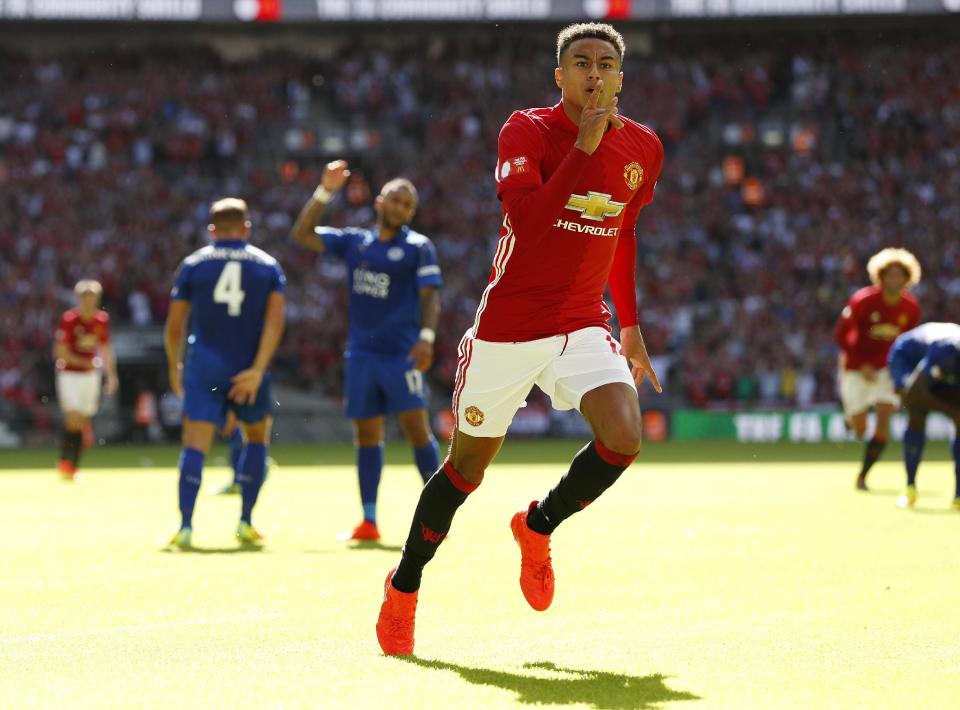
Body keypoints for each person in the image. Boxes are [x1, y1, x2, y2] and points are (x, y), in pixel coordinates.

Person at [375, 22, 664, 655]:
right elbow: (528, 227)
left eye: (607, 63)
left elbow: (622, 233)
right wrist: (584, 148)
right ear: (559, 76)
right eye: (581, 63)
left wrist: (633, 325)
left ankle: (538, 526)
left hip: (583, 321)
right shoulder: (527, 130)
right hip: (508, 328)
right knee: (466, 470)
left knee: (624, 437)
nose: (595, 73)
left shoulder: (644, 147)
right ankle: (403, 586)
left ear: (621, 77)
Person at [291, 164, 443, 542]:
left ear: (410, 213)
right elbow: (302, 234)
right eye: (395, 199)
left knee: (416, 430)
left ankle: (440, 516)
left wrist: (426, 337)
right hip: (361, 355)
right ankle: (369, 520)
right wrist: (324, 191)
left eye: (407, 204)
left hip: (401, 354)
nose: (400, 207)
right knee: (366, 434)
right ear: (379, 202)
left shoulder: (418, 247)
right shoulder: (355, 242)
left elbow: (431, 296)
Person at [164, 198, 286, 549]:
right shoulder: (267, 266)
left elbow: (175, 326)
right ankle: (246, 522)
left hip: (204, 367)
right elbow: (275, 322)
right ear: (246, 228)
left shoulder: (193, 264)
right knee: (257, 438)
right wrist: (258, 370)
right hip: (248, 368)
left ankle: (185, 527)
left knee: (195, 444)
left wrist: (175, 366)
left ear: (212, 230)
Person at [834, 248, 921, 491]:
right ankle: (851, 420)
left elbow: (908, 343)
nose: (894, 280)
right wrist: (860, 363)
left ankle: (863, 476)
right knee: (861, 429)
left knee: (884, 420)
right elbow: (841, 335)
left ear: (907, 278)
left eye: (899, 275)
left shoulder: (911, 308)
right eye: (890, 275)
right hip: (857, 368)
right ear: (880, 277)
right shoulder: (862, 301)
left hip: (886, 370)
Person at [887, 322, 960, 509]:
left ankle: (959, 495)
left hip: (941, 368)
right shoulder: (947, 350)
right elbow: (915, 392)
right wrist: (951, 412)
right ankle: (910, 486)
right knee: (916, 411)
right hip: (907, 360)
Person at [54, 280, 118, 480]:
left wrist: (111, 375)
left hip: (90, 377)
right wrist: (85, 362)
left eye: (92, 297)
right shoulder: (69, 319)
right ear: (78, 298)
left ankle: (72, 466)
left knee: (81, 421)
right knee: (73, 417)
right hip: (70, 374)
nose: (89, 301)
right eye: (85, 297)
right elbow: (60, 352)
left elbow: (106, 349)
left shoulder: (101, 320)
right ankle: (66, 463)